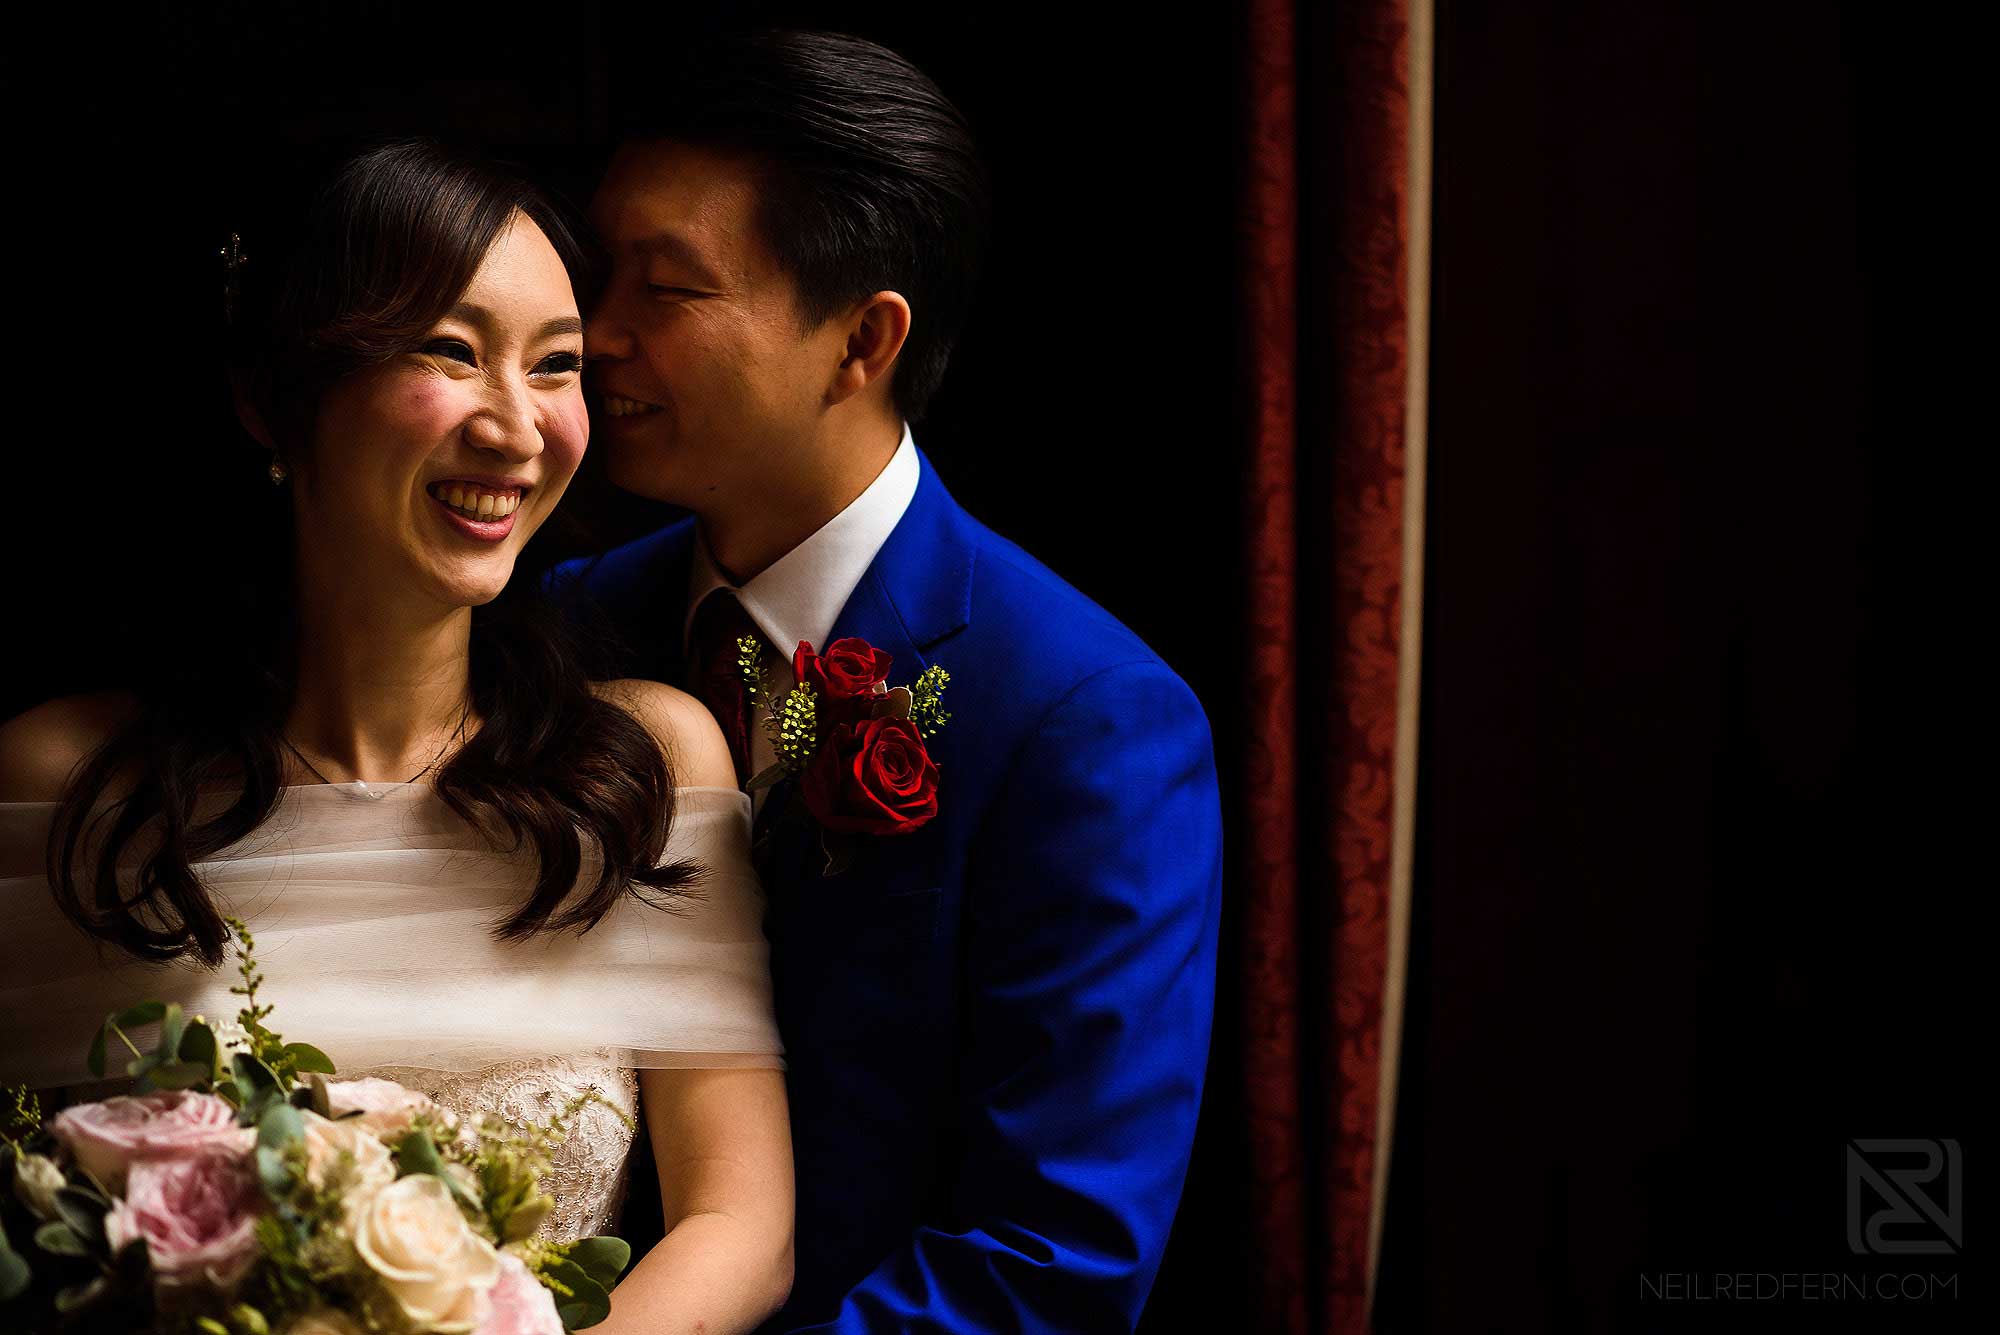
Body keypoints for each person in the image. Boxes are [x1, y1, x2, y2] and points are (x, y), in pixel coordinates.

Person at [0, 140, 792, 1335]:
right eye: (453, 352)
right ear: (275, 394)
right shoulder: (68, 786)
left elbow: (742, 1228)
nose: (519, 428)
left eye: (558, 367)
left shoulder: (647, 768)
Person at [558, 29, 1224, 1333]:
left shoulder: (1083, 717)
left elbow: (1054, 1255)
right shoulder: (560, 626)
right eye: (600, 272)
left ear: (861, 340)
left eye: (667, 288)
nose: (596, 333)